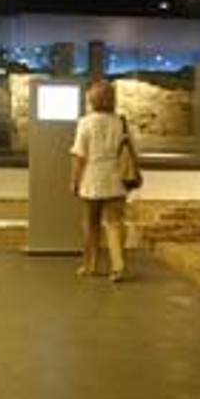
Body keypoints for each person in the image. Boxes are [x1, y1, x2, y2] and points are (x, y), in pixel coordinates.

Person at [69, 79, 130, 281]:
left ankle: (90, 264)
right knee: (114, 224)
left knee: (90, 224)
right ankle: (118, 266)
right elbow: (130, 149)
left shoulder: (85, 122)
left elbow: (79, 155)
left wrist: (74, 180)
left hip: (91, 179)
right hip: (116, 179)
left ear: (92, 99)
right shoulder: (121, 122)